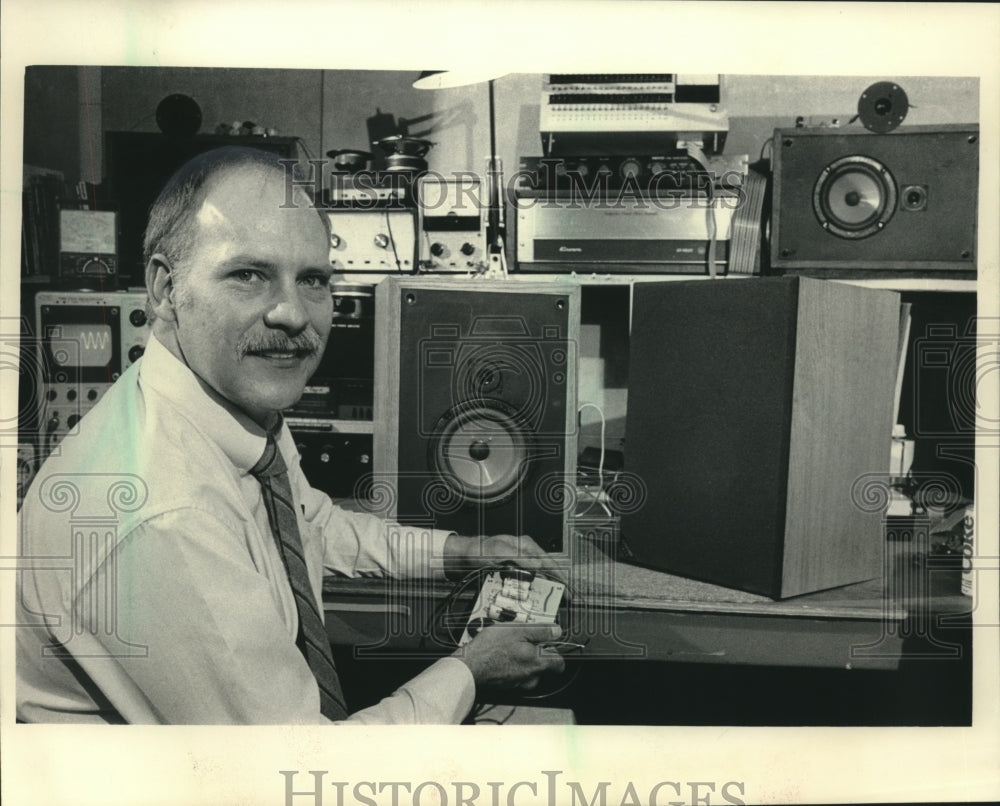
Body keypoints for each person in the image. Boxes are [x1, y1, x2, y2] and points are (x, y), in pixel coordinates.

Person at [16, 146, 565, 724]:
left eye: (312, 280)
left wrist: (458, 552)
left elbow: (312, 523)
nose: (293, 315)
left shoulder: (226, 405)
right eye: (248, 275)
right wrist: (470, 670)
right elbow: (305, 772)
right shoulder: (166, 518)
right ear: (163, 290)